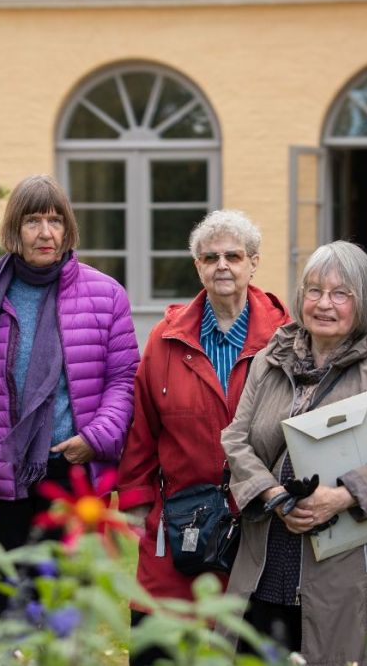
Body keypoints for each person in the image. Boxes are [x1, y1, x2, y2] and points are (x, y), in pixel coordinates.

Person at [221, 241, 367, 665]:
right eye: (314, 291)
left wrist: (340, 496)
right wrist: (273, 495)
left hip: (349, 563)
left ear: (363, 301)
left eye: (340, 294)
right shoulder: (269, 360)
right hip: (268, 556)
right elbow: (236, 439)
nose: (324, 304)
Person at [0, 174, 139, 613]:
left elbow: (123, 379)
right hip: (0, 470)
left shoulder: (105, 294)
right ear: (14, 228)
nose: (45, 233)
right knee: (11, 602)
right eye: (32, 221)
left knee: (65, 603)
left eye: (55, 221)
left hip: (71, 469)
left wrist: (95, 439)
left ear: (68, 228)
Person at [117, 210, 290, 665]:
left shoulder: (286, 339)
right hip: (181, 518)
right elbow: (143, 428)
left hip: (260, 519)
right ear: (198, 266)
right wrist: (134, 500)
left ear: (254, 263)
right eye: (210, 257)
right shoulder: (166, 339)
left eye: (234, 256)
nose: (222, 266)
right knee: (160, 642)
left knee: (250, 644)